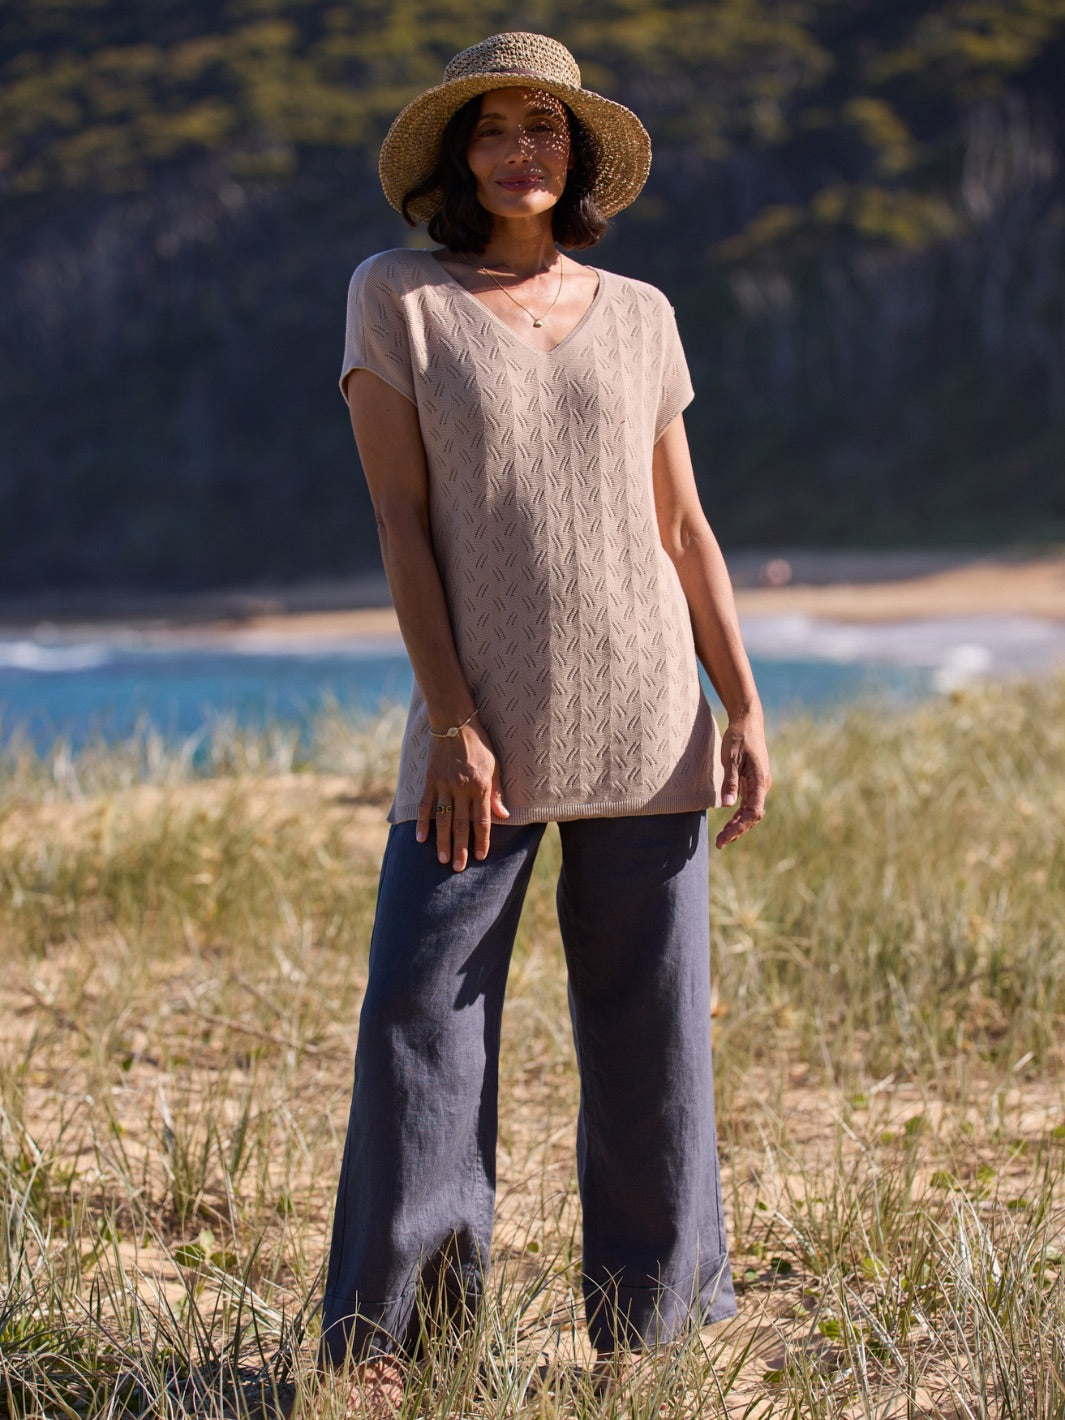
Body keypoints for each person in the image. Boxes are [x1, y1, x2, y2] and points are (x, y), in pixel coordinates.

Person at [319, 31, 771, 1408]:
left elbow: (683, 526)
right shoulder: (395, 295)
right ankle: (396, 1340)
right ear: (459, 154)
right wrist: (451, 720)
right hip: (483, 732)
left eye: (547, 129)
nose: (524, 147)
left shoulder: (638, 311)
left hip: (648, 710)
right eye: (497, 127)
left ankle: (657, 1329)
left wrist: (741, 705)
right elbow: (399, 519)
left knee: (650, 1031)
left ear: (574, 159)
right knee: (420, 1014)